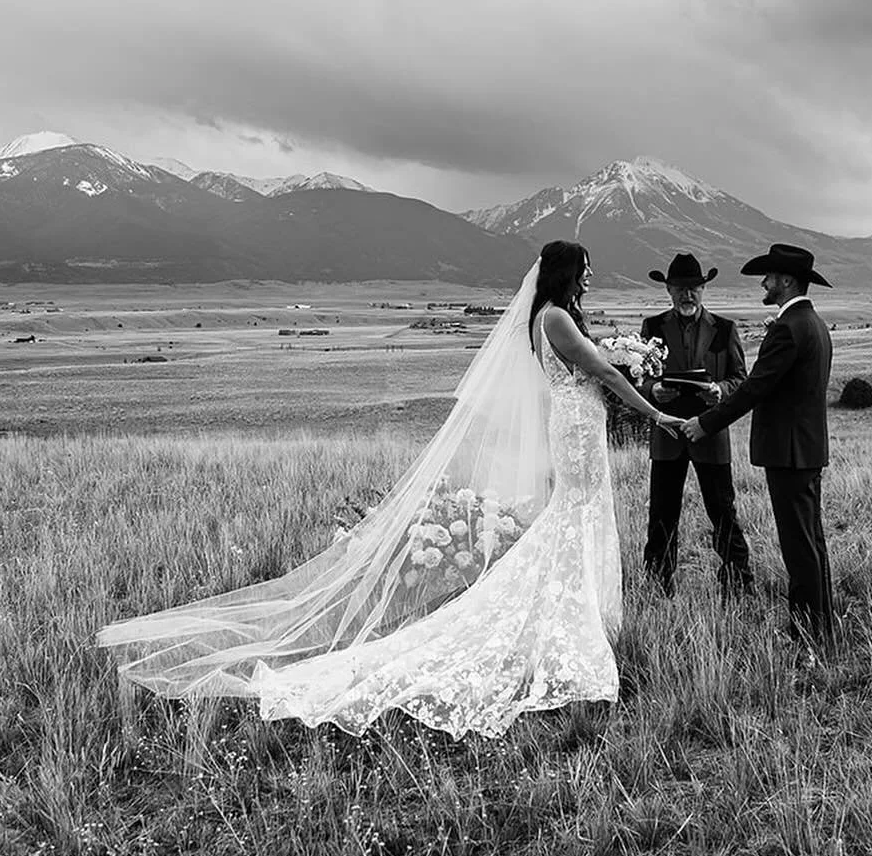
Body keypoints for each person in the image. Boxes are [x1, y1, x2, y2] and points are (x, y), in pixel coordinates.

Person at [98, 240, 682, 739]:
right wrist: (652, 409)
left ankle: (576, 619)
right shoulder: (554, 317)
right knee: (574, 514)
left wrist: (625, 364)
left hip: (580, 423)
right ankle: (567, 627)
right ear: (565, 271)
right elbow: (601, 372)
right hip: (577, 425)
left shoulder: (552, 316)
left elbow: (596, 366)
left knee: (579, 514)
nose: (590, 275)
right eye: (585, 267)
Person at [681, 243, 835, 652]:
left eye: (768, 277)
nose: (763, 283)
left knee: (798, 546)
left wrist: (705, 423)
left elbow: (754, 388)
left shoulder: (788, 328)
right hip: (806, 450)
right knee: (812, 542)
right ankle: (821, 628)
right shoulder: (814, 323)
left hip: (788, 452)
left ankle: (806, 634)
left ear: (786, 281)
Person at [639, 253, 753, 598]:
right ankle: (657, 587)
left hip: (711, 434)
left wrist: (720, 391)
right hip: (668, 435)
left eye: (694, 288)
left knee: (723, 512)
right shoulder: (652, 327)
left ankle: (738, 585)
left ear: (704, 289)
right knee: (662, 515)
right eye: (680, 288)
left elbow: (740, 379)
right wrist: (653, 390)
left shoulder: (725, 329)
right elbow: (639, 378)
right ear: (668, 290)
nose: (687, 295)